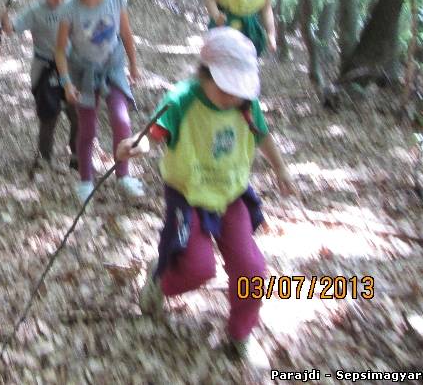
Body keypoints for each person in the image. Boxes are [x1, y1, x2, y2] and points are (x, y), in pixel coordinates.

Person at [116, 27, 296, 360]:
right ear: (205, 74)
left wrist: (281, 169)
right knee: (197, 269)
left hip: (231, 195)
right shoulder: (181, 100)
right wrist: (135, 147)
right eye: (225, 88)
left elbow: (262, 135)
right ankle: (160, 279)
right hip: (188, 195)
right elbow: (153, 135)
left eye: (238, 90)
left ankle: (240, 333)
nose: (233, 97)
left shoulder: (246, 105)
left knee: (252, 270)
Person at [55, 0, 143, 203]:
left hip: (112, 65)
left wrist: (133, 65)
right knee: (87, 128)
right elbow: (59, 50)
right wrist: (66, 82)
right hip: (83, 70)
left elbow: (125, 33)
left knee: (122, 120)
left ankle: (124, 175)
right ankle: (85, 180)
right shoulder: (69, 8)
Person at [1, 0, 79, 170]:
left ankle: (77, 156)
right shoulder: (35, 11)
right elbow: (12, 29)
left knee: (77, 113)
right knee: (48, 115)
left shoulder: (73, 5)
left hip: (70, 66)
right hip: (44, 67)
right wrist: (6, 21)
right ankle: (44, 159)